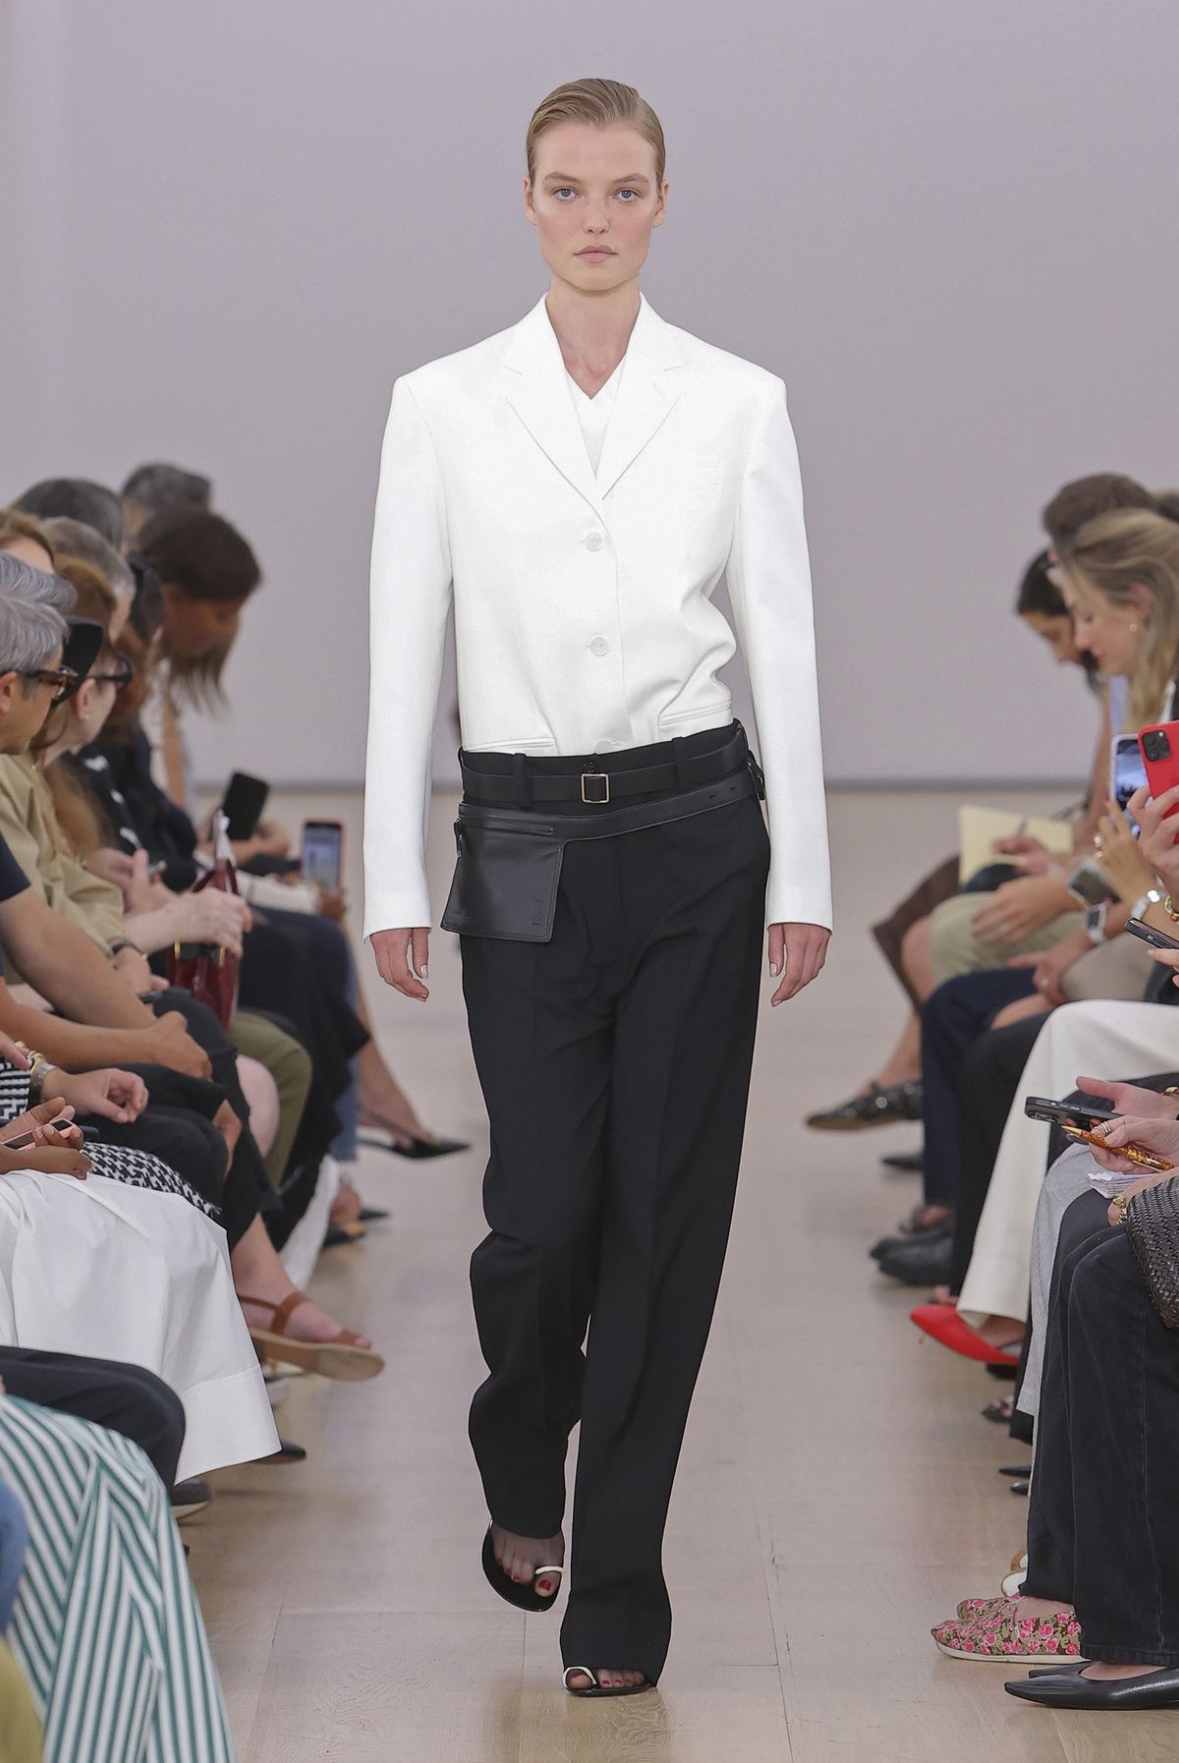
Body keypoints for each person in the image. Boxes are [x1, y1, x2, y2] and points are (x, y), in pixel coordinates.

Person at [364, 77, 831, 1696]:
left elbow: (781, 643)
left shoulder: (738, 401)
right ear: (527, 199)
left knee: (664, 1228)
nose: (595, 218)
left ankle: (618, 1591)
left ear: (662, 201)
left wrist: (806, 871)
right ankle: (520, 1443)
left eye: (624, 190)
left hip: (699, 838)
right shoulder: (440, 403)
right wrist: (390, 873)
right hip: (519, 842)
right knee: (542, 1216)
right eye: (567, 189)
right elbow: (402, 646)